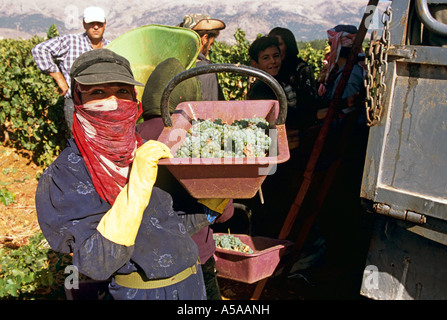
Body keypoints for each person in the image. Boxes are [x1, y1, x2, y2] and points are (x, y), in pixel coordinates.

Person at [35, 49, 232, 300]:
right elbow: (97, 262)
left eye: (123, 91)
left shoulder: (145, 151)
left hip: (192, 286)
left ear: (135, 99)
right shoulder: (66, 175)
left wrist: (214, 200)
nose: (113, 102)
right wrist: (136, 189)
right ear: (77, 99)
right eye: (97, 92)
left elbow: (168, 225)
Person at [136, 57, 234, 300]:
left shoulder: (132, 137)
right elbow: (225, 213)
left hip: (141, 263)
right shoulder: (202, 140)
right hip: (195, 256)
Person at [32, 6, 110, 134]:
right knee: (79, 145)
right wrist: (59, 78)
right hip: (76, 104)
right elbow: (39, 50)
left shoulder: (110, 47)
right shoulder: (70, 42)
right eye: (91, 23)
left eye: (99, 24)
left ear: (105, 24)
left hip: (104, 105)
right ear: (84, 24)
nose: (96, 27)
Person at [268, 27, 319, 132]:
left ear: (288, 45)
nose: (275, 49)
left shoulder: (301, 70)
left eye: (279, 44)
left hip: (299, 129)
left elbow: (310, 105)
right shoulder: (271, 69)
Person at [178, 14, 226, 101]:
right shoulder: (206, 71)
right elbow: (211, 108)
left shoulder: (172, 62)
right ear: (204, 38)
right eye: (210, 44)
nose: (208, 49)